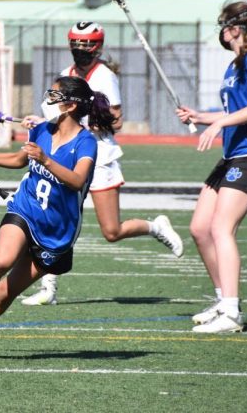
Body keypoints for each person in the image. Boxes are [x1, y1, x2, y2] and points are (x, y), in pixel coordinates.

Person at [0, 76, 110, 359]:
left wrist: (45, 160)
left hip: (57, 231)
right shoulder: (42, 130)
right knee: (3, 260)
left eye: (55, 95)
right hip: (25, 208)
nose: (49, 97)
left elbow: (78, 180)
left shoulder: (86, 143)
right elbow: (20, 161)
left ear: (69, 105)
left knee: (6, 294)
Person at [20, 22, 183, 306]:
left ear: (97, 46)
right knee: (51, 218)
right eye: (77, 43)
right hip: (66, 155)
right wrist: (42, 122)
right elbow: (54, 113)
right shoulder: (65, 75)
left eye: (87, 44)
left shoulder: (105, 76)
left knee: (111, 231)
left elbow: (116, 120)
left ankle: (155, 227)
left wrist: (84, 122)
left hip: (99, 154)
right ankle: (49, 287)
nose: (81, 49)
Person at [175, 1, 247, 333]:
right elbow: (235, 111)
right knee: (200, 228)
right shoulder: (233, 66)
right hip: (233, 155)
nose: (221, 31)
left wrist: (219, 126)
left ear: (234, 28)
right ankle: (223, 300)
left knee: (221, 228)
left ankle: (232, 313)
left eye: (223, 25)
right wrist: (202, 117)